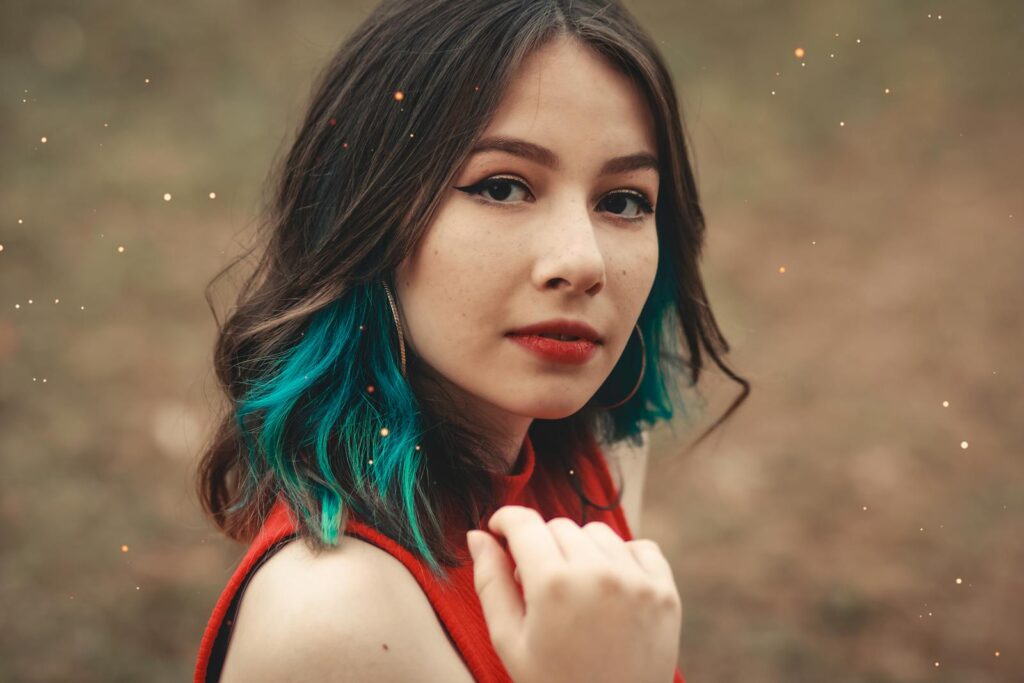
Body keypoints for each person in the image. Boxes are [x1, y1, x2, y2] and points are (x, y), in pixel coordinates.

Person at [193, 1, 749, 681]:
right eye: (503, 186)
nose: (582, 262)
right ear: (369, 214)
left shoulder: (592, 455)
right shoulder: (335, 623)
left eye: (624, 200)